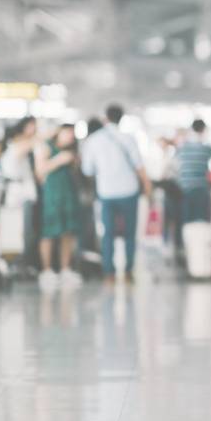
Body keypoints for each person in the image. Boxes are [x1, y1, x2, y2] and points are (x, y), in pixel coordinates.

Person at [81, 104, 152, 285]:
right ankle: (128, 271)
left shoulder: (93, 140)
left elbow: (87, 170)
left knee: (108, 234)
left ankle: (109, 273)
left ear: (106, 118)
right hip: (129, 191)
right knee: (129, 233)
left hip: (107, 193)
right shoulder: (129, 138)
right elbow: (139, 166)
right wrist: (147, 186)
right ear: (121, 118)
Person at [34, 124, 83, 290]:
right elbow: (39, 171)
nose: (70, 136)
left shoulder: (72, 152)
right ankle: (47, 270)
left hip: (68, 195)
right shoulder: (46, 147)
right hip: (51, 196)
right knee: (49, 232)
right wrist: (59, 160)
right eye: (67, 132)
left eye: (72, 134)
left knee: (67, 232)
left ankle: (65, 269)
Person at [0, 117, 41, 272]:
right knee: (20, 231)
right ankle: (17, 264)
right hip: (18, 196)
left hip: (22, 195)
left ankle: (22, 264)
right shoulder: (15, 148)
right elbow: (29, 144)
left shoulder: (18, 150)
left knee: (25, 231)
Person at [174, 119, 211, 224]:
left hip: (184, 189)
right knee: (201, 222)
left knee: (186, 221)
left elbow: (175, 165)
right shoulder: (207, 148)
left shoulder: (182, 147)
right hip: (201, 188)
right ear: (204, 130)